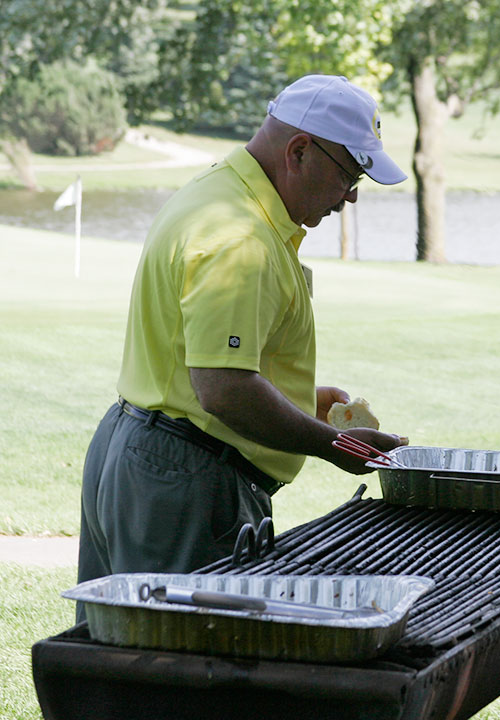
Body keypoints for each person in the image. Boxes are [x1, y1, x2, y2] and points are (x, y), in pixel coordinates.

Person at [77, 75, 409, 605]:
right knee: (181, 665)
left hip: (146, 451)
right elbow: (223, 389)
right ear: (299, 151)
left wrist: (304, 401)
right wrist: (337, 446)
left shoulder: (220, 192)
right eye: (349, 174)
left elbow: (210, 364)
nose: (349, 197)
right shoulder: (240, 239)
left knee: (124, 651)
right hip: (187, 478)